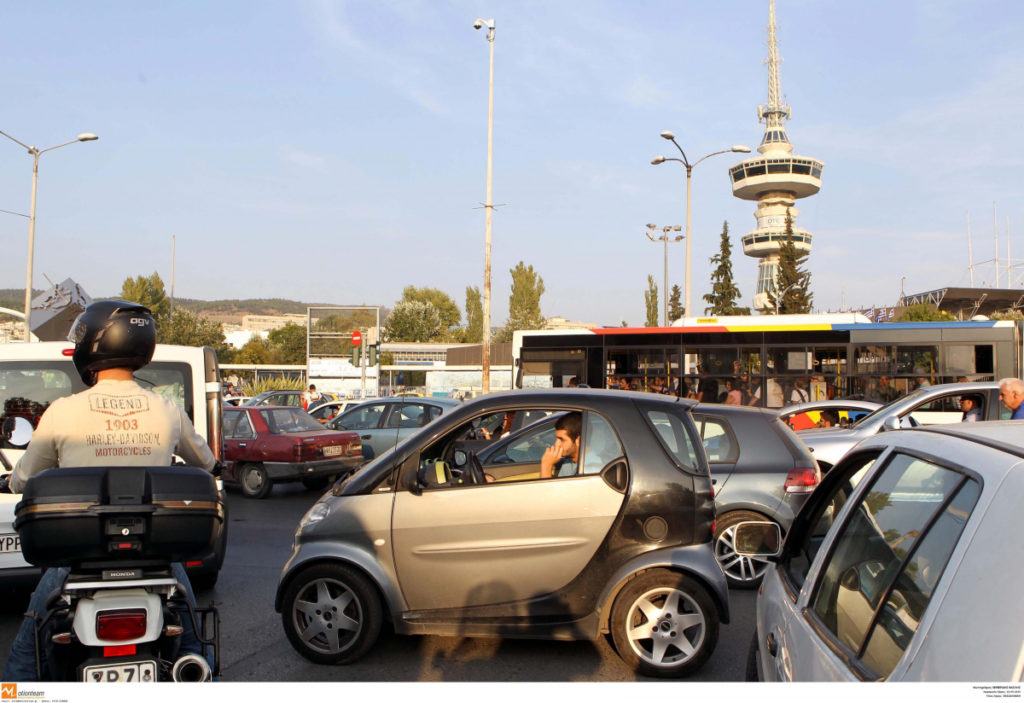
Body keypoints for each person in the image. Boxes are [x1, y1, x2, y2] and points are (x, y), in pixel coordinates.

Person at [3, 300, 217, 681]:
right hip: (155, 557)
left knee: (31, 642)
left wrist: (9, 480)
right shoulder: (166, 408)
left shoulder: (64, 410)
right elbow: (206, 463)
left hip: (78, 559)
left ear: (93, 344)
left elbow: (24, 478)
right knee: (193, 644)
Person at [540, 412, 581, 478]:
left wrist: (546, 466)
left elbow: (546, 488)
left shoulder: (590, 468)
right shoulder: (569, 460)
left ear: (579, 440)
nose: (556, 444)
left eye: (562, 439)